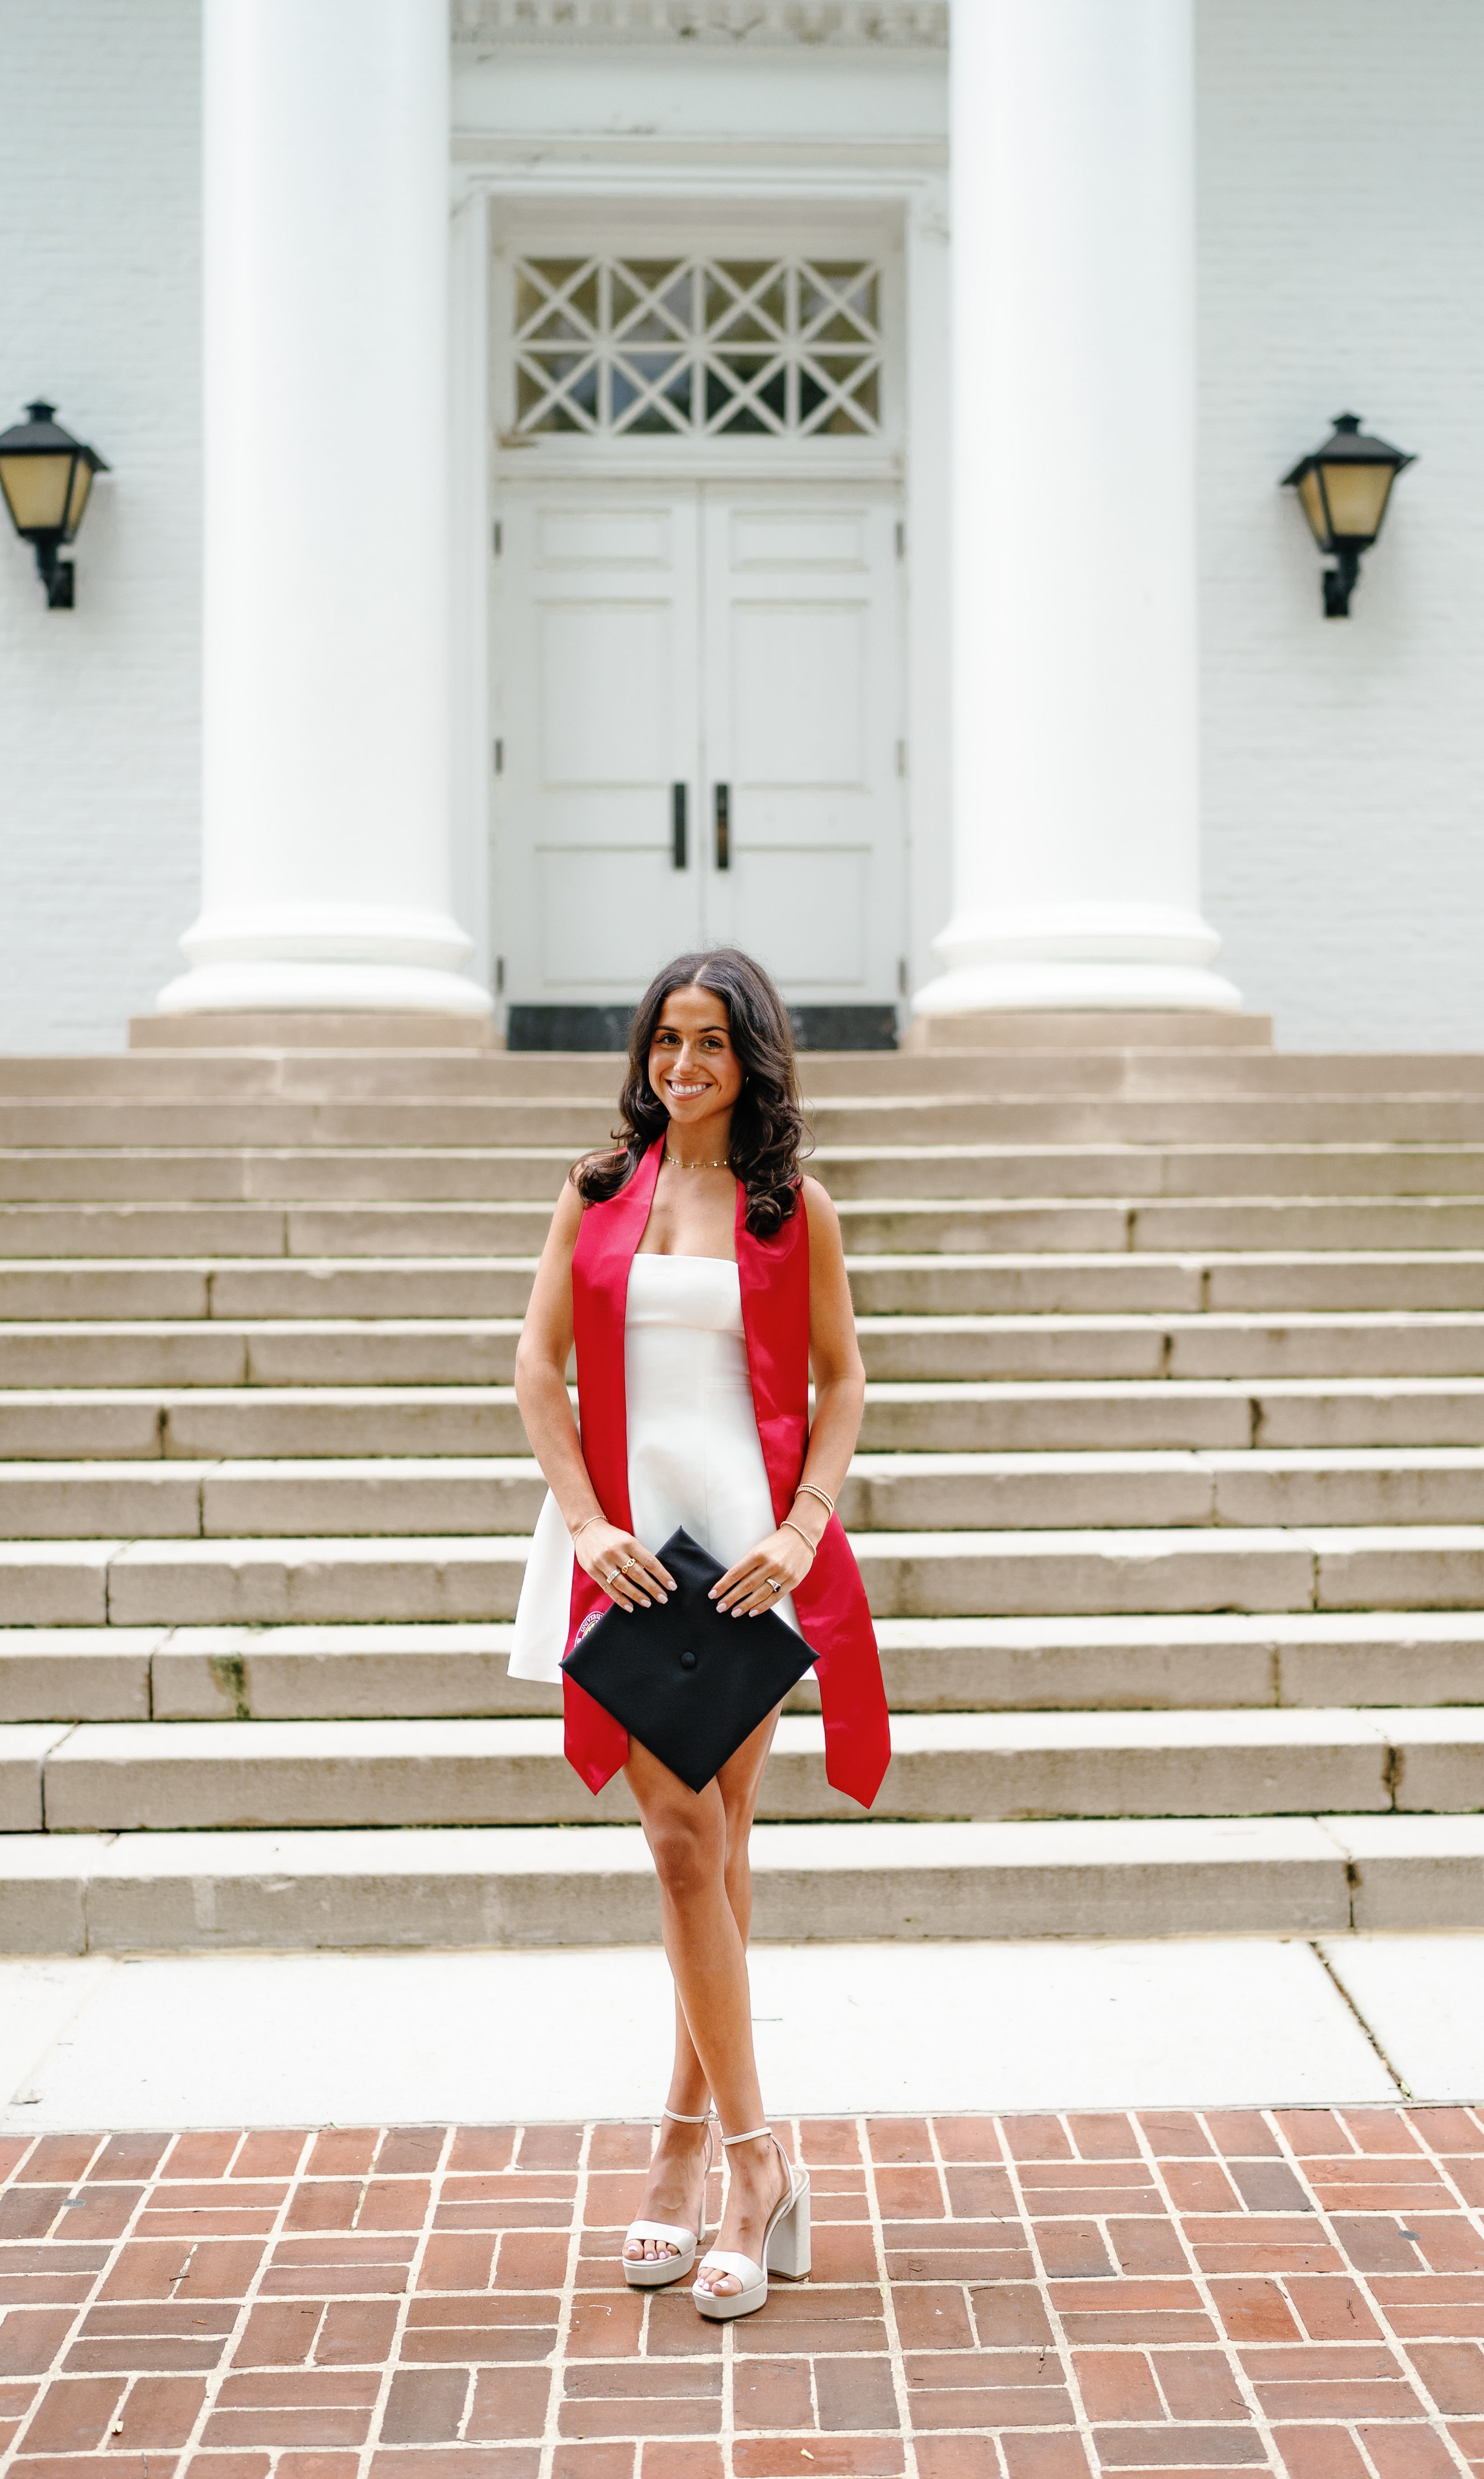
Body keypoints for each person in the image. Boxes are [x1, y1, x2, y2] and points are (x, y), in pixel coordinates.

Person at [512, 948, 890, 2320]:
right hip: (621, 1546)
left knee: (712, 1847)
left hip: (742, 1551)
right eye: (667, 1040)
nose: (684, 1065)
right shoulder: (599, 1191)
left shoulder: (795, 1212)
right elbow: (534, 1374)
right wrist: (584, 1518)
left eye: (712, 1044)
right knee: (685, 1843)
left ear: (753, 1060)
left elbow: (845, 1380)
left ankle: (693, 2157)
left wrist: (801, 1527)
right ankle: (752, 2160)